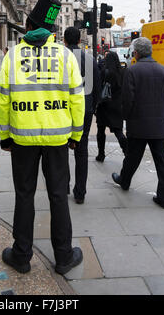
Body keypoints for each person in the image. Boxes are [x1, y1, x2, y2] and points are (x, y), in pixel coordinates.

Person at [0, 0, 85, 275]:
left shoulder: (11, 56)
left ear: (28, 24)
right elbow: (77, 98)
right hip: (58, 139)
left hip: (22, 139)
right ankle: (64, 256)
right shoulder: (64, 55)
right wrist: (76, 135)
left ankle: (21, 255)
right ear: (51, 31)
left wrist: (5, 136)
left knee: (25, 195)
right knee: (58, 196)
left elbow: (2, 100)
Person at [112, 37, 164, 209]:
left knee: (132, 157)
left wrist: (127, 118)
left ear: (136, 53)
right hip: (159, 125)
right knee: (162, 161)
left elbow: (127, 100)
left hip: (138, 125)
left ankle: (124, 181)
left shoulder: (132, 71)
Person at [64, 27, 101, 204]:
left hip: (63, 109)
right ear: (79, 40)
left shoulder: (60, 58)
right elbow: (97, 88)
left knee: (61, 149)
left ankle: (63, 186)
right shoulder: (90, 59)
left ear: (64, 40)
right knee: (82, 150)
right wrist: (93, 107)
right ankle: (80, 193)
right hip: (85, 109)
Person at [96, 51, 127, 161]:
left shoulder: (105, 72)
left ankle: (101, 154)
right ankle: (126, 150)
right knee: (118, 131)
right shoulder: (123, 72)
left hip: (104, 105)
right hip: (117, 105)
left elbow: (99, 87)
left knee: (101, 130)